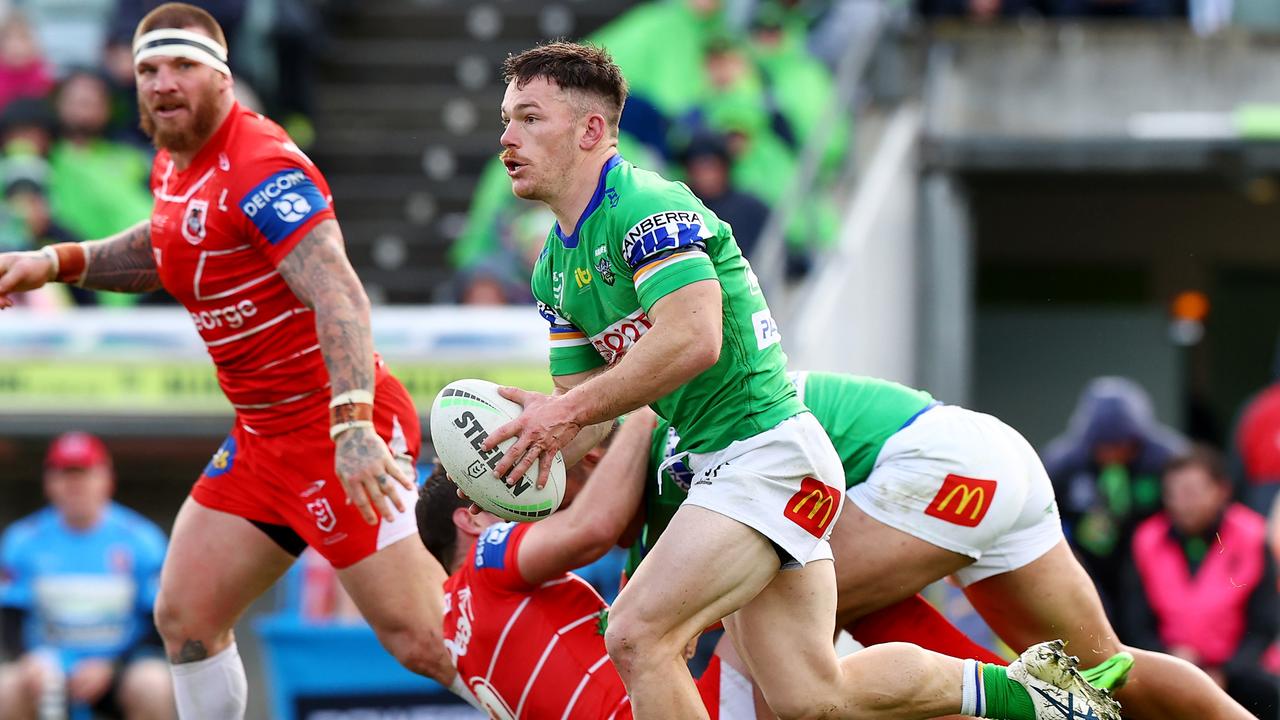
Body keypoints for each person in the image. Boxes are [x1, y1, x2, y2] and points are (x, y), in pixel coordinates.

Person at [482, 40, 1120, 720]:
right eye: (505, 120)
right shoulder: (552, 265)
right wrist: (527, 442)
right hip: (742, 466)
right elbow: (591, 419)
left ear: (590, 130)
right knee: (813, 698)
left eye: (528, 118)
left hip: (765, 454)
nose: (507, 139)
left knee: (638, 635)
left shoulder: (645, 204)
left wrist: (569, 413)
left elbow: (693, 339)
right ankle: (1033, 695)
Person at [0, 4, 456, 718]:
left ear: (223, 75)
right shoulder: (175, 162)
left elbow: (337, 289)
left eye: (182, 65)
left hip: (331, 434)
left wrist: (354, 425)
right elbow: (169, 242)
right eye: (149, 68)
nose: (162, 82)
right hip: (262, 438)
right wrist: (56, 261)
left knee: (424, 641)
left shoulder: (260, 164)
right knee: (185, 618)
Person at [626, 370, 1256, 719]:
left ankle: (1027, 700)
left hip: (944, 468)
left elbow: (594, 535)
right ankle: (1038, 698)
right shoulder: (680, 429)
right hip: (994, 457)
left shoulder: (650, 445)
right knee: (1102, 668)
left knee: (780, 638)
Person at [419, 409, 760, 719]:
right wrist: (642, 410)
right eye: (496, 498)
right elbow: (594, 526)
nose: (516, 503)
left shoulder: (455, 638)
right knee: (769, 543)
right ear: (471, 522)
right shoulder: (486, 559)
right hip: (680, 709)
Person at [0, 432, 174, 720]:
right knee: (6, 687)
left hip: (119, 667)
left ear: (107, 479)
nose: (75, 486)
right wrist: (29, 660)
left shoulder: (141, 539)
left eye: (84, 474)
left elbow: (158, 620)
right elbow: (10, 614)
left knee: (153, 683)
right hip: (47, 670)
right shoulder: (23, 539)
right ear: (49, 482)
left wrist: (111, 666)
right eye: (65, 475)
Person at [1124, 446, 1279, 719]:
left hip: (1238, 676)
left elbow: (1264, 623)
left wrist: (1225, 672)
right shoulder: (1146, 540)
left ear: (1221, 490)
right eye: (1173, 493)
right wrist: (1170, 661)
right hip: (1167, 671)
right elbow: (1134, 622)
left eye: (1192, 492)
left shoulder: (1252, 536)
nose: (1182, 503)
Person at [1042, 376, 1188, 625]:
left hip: (1150, 568)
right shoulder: (1062, 465)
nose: (1113, 454)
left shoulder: (1167, 459)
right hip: (1086, 565)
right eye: (1104, 447)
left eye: (1121, 445)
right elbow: (1044, 516)